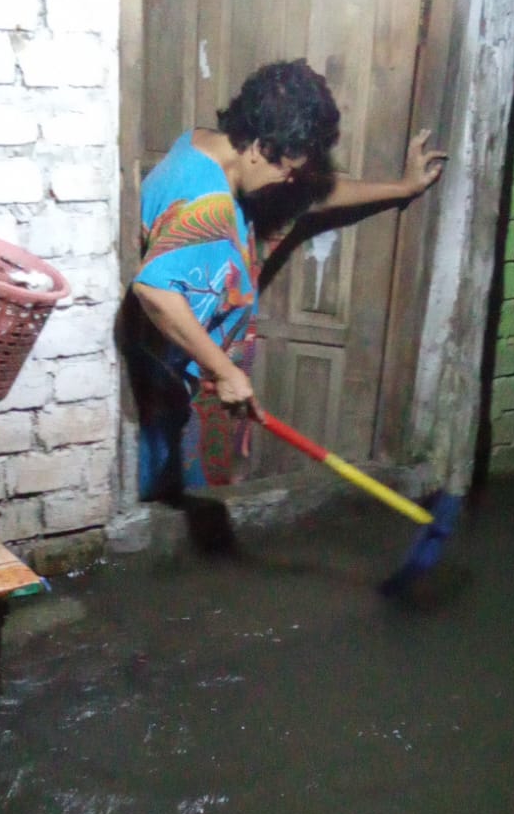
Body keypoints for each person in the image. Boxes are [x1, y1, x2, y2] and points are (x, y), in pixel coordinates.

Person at [127, 57, 445, 503]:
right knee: (174, 510)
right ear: (259, 146)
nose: (291, 178)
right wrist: (224, 371)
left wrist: (402, 188)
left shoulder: (203, 145)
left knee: (194, 501)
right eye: (288, 167)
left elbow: (312, 195)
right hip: (169, 383)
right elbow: (154, 289)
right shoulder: (209, 205)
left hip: (188, 371)